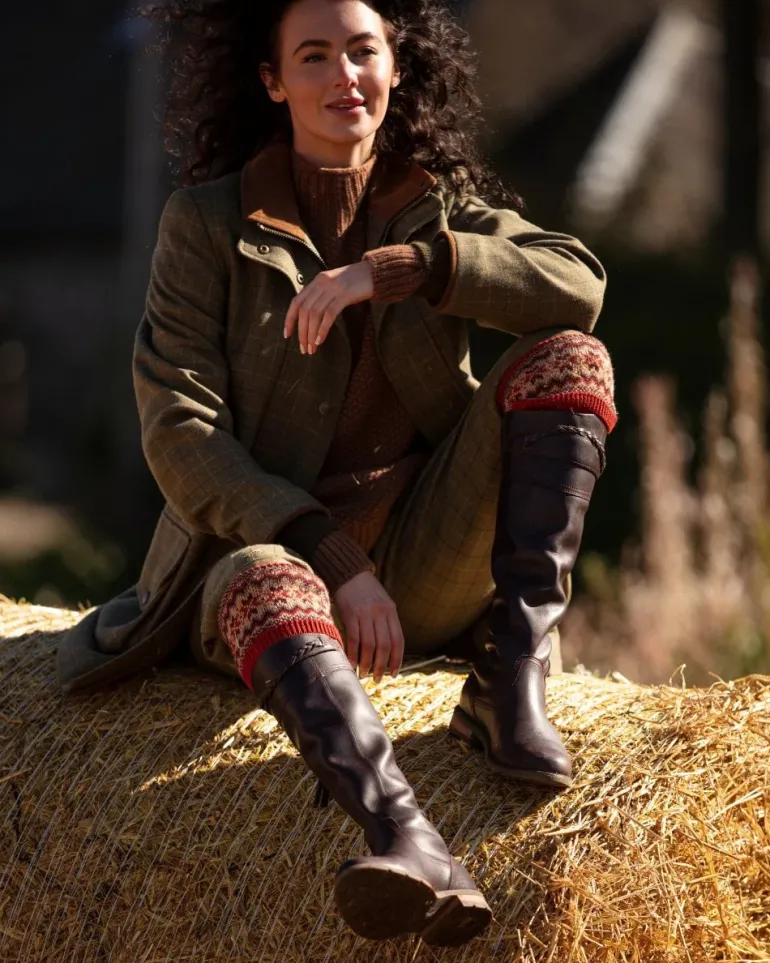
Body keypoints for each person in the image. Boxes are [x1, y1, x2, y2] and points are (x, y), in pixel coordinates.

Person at [56, 0, 616, 945]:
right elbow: (182, 434)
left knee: (569, 357)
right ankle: (408, 837)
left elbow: (581, 285)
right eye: (313, 56)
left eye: (363, 51)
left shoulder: (435, 207)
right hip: (261, 565)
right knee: (265, 576)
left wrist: (405, 268)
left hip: (423, 567)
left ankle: (507, 680)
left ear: (396, 67)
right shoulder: (205, 225)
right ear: (273, 82)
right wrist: (329, 554)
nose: (343, 76)